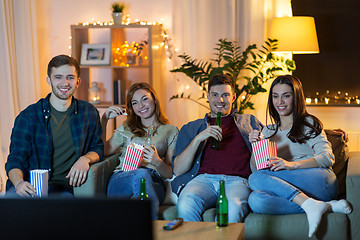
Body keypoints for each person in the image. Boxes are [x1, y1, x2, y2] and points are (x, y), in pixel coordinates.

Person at [248, 75, 352, 238]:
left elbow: (327, 158)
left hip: (320, 180)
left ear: (296, 97)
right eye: (275, 96)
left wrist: (291, 165)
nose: (280, 101)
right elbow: (257, 169)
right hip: (294, 188)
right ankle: (322, 206)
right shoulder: (268, 131)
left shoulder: (309, 123)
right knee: (256, 200)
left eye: (286, 95)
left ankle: (317, 203)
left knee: (255, 178)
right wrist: (256, 145)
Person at [5, 54, 104, 197]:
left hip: (63, 190)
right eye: (58, 77)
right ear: (49, 80)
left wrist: (85, 159)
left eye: (70, 77)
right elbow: (15, 159)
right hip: (29, 186)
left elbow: (98, 147)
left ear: (78, 81)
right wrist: (19, 183)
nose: (65, 83)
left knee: (65, 215)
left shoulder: (89, 113)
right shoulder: (28, 116)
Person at [172, 74, 263, 223]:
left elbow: (263, 163)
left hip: (237, 181)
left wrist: (257, 143)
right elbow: (178, 170)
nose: (220, 100)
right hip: (202, 181)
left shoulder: (249, 122)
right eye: (215, 95)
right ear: (207, 96)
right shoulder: (192, 127)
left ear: (233, 97)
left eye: (225, 95)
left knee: (233, 207)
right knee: (185, 203)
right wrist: (199, 138)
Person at [101, 82, 178, 220]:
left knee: (141, 194)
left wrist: (157, 162)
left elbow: (169, 173)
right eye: (134, 103)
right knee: (141, 175)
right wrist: (104, 119)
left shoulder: (171, 131)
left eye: (145, 99)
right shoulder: (126, 127)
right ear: (131, 107)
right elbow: (103, 150)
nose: (141, 106)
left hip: (155, 183)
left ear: (154, 99)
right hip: (122, 179)